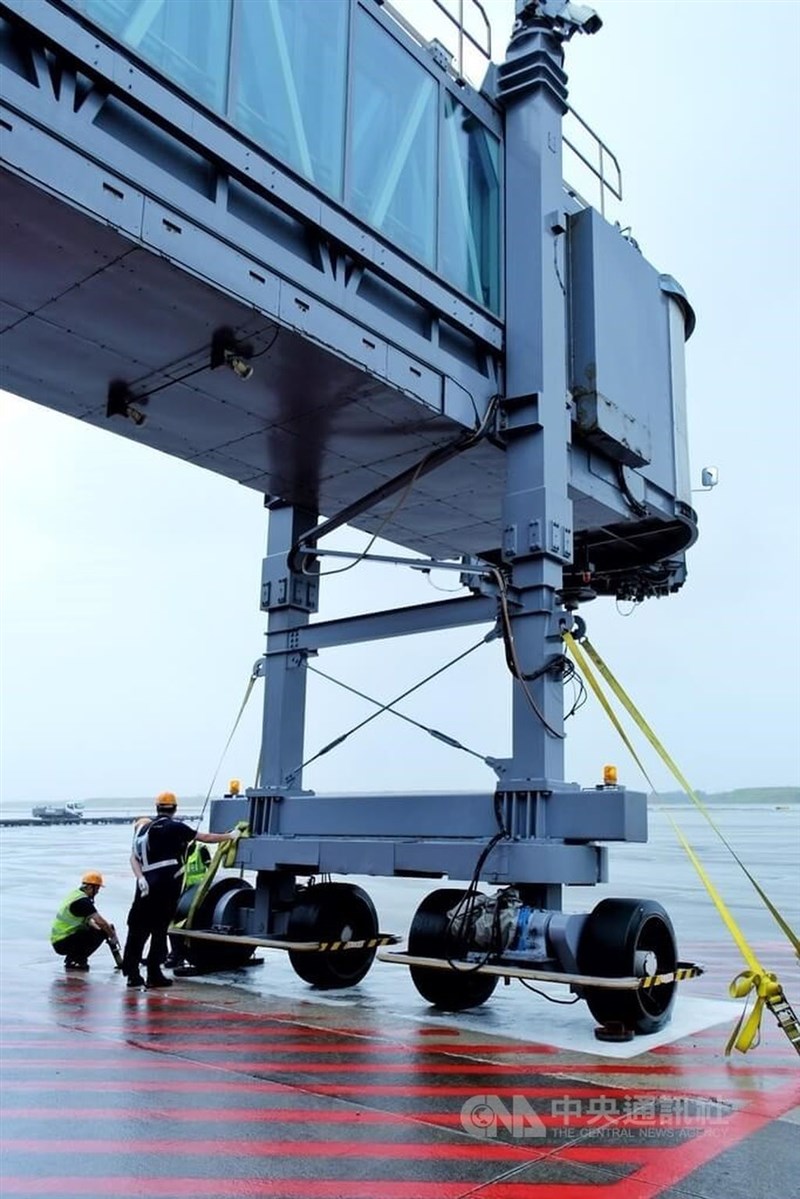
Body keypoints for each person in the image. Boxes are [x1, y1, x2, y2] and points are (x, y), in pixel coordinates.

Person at [121, 791, 240, 989]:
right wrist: (230, 835)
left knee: (137, 931)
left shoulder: (143, 831)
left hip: (143, 887)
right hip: (165, 886)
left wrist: (141, 878)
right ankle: (154, 974)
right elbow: (207, 837)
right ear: (174, 809)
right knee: (159, 931)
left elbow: (133, 858)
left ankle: (132, 975)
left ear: (157, 808)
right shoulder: (175, 827)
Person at [51, 871, 117, 970]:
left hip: (61, 939)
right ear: (90, 887)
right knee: (103, 930)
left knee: (101, 930)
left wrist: (105, 930)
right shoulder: (82, 902)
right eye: (97, 888)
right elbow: (100, 921)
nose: (98, 892)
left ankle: (73, 958)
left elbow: (89, 921)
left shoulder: (76, 895)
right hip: (63, 941)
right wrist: (112, 935)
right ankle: (77, 960)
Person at [163, 840, 212, 970]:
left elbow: (210, 869)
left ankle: (179, 956)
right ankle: (175, 954)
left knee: (184, 923)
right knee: (173, 924)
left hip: (199, 892)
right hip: (185, 891)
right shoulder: (180, 852)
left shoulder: (200, 849)